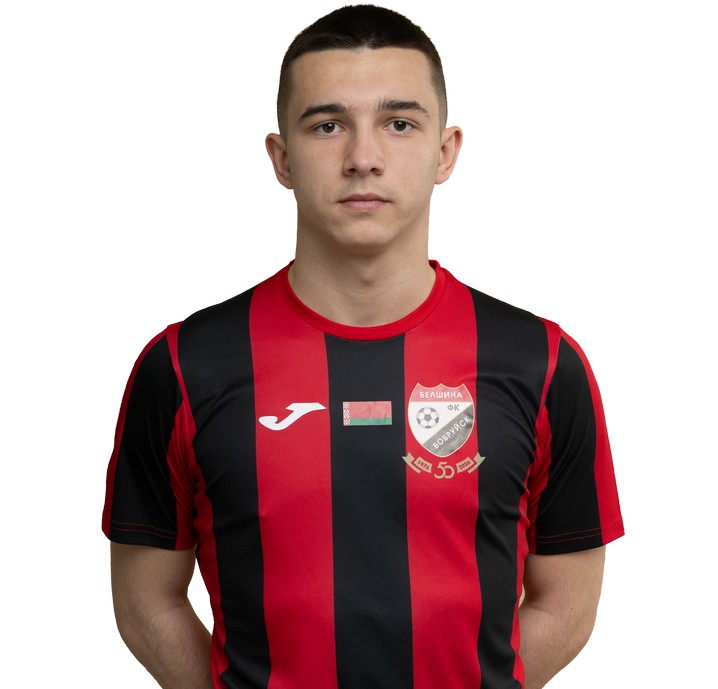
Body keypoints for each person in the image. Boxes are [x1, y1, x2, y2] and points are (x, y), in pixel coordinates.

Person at [102, 5, 624, 689]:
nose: (363, 157)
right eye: (328, 125)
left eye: (399, 123)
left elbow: (566, 600)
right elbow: (147, 601)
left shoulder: (542, 363)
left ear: (446, 152)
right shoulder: (183, 366)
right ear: (281, 158)